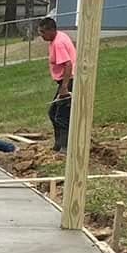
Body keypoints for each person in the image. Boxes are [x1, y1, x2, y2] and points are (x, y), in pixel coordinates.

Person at [41, 16, 76, 151]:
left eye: (43, 32)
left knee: (61, 116)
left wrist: (64, 87)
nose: (42, 36)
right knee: (53, 113)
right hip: (65, 81)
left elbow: (68, 65)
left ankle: (65, 147)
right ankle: (58, 145)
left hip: (69, 81)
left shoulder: (58, 43)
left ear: (51, 30)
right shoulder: (58, 37)